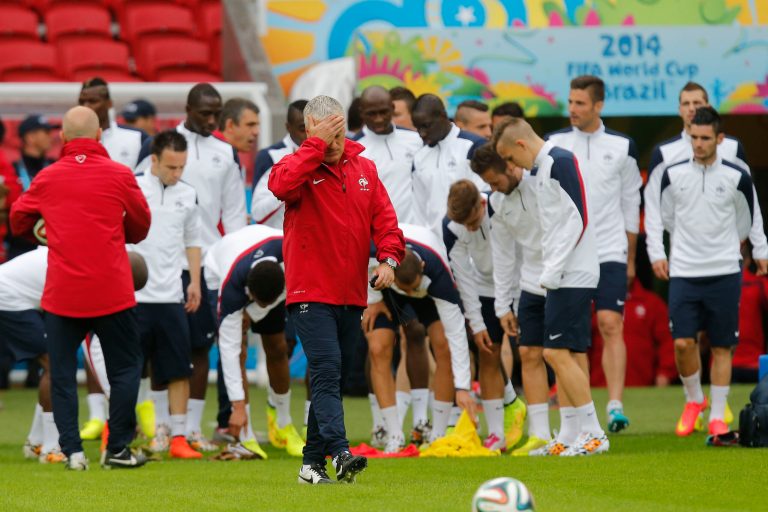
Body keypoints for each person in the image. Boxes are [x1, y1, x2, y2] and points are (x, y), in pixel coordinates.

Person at [268, 95, 405, 484]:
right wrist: (313, 148)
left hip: (351, 294)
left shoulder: (365, 169)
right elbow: (279, 185)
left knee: (333, 376)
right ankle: (342, 453)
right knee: (326, 371)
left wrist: (389, 260)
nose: (334, 139)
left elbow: (387, 222)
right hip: (309, 292)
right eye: (325, 131)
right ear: (310, 130)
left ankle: (311, 465)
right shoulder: (296, 170)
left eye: (339, 130)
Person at [10, 106, 152, 470]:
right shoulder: (120, 174)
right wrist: (120, 235)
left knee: (60, 373)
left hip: (64, 292)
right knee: (124, 370)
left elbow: (18, 220)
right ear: (100, 134)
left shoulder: (47, 177)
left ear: (64, 138)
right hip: (111, 289)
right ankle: (118, 449)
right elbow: (141, 225)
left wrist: (45, 232)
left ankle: (72, 452)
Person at [138, 83, 248, 451]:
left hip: (207, 263)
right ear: (187, 108)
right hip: (161, 263)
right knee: (157, 349)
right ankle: (161, 428)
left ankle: (193, 428)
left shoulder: (225, 152)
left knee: (200, 348)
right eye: (205, 113)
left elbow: (233, 214)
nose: (212, 120)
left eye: (217, 113)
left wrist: (232, 262)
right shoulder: (158, 147)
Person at [494, 117, 607, 456]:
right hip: (559, 275)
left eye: (511, 159)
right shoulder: (542, 170)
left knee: (556, 353)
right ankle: (570, 433)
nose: (513, 167)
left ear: (521, 145)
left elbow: (577, 219)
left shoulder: (560, 161)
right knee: (559, 353)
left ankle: (595, 433)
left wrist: (552, 272)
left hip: (572, 274)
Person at [656, 107, 768, 437]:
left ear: (719, 139)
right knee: (682, 343)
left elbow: (749, 219)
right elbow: (666, 219)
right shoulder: (672, 174)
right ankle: (695, 401)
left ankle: (718, 414)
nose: (699, 144)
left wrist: (759, 251)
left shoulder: (737, 176)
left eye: (706, 138)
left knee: (722, 346)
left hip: (724, 270)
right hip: (685, 271)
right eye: (694, 138)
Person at [546, 75, 642, 432]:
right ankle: (579, 410)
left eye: (580, 103)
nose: (572, 109)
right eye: (570, 102)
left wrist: (631, 258)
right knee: (572, 334)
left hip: (610, 250)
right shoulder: (554, 143)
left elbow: (632, 203)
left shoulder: (622, 146)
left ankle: (615, 405)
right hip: (569, 253)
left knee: (609, 323)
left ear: (598, 106)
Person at [471, 144, 552, 456]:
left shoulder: (544, 183)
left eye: (495, 180)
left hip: (563, 280)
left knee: (564, 355)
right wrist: (502, 305)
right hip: (528, 285)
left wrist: (561, 273)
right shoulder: (496, 201)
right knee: (529, 353)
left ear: (510, 165)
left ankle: (583, 431)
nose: (493, 189)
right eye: (488, 184)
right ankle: (540, 435)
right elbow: (503, 255)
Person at [131, 130, 203, 459]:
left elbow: (192, 240)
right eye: (171, 167)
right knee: (129, 369)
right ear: (155, 160)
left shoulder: (188, 194)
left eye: (182, 167)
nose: (177, 174)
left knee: (177, 368)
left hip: (172, 294)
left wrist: (195, 282)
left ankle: (177, 437)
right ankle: (122, 432)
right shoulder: (131, 186)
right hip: (133, 298)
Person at [205, 224, 305, 458]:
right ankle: (246, 434)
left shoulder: (292, 258)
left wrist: (254, 312)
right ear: (248, 291)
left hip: (269, 270)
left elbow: (286, 291)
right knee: (237, 349)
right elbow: (228, 352)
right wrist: (237, 407)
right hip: (217, 268)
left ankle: (283, 424)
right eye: (254, 301)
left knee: (278, 346)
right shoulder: (230, 289)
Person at [645, 82, 764, 277]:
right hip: (684, 262)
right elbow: (653, 208)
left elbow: (751, 203)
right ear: (679, 109)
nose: (691, 108)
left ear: (708, 106)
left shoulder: (732, 148)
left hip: (726, 260)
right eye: (686, 103)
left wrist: (760, 248)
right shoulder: (664, 154)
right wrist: (656, 252)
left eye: (697, 102)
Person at [443, 179, 527, 451]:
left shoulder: (503, 205)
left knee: (533, 352)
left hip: (522, 286)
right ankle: (496, 434)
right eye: (463, 224)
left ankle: (544, 431)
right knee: (487, 352)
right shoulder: (452, 227)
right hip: (484, 289)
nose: (469, 228)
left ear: (481, 203)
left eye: (473, 221)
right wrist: (477, 325)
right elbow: (464, 279)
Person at [0, 247, 61, 463]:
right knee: (56, 366)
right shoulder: (77, 260)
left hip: (12, 296)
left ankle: (37, 443)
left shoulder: (70, 251)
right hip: (8, 298)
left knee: (55, 364)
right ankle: (51, 448)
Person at [410, 94, 488, 234]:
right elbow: (419, 213)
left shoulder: (473, 146)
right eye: (417, 128)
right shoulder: (419, 158)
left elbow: (484, 198)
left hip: (472, 242)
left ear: (443, 115)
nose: (421, 133)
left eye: (426, 126)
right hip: (436, 249)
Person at [588, 279, 677, 387]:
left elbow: (667, 341)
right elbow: (581, 345)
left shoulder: (652, 302)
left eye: (628, 261)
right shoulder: (592, 304)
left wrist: (665, 373)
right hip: (600, 386)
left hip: (643, 387)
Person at [251, 100, 308, 228]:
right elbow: (257, 213)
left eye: (313, 127)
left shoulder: (326, 154)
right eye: (302, 129)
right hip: (278, 239)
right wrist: (288, 183)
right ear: (288, 127)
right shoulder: (269, 156)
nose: (308, 135)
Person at [78, 77, 148, 169]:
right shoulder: (72, 141)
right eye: (82, 102)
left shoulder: (137, 137)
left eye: (93, 101)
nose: (86, 106)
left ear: (109, 103)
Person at [732, 243, 768, 383]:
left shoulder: (711, 288)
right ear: (748, 260)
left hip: (722, 366)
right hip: (755, 364)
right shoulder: (758, 284)